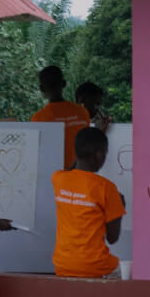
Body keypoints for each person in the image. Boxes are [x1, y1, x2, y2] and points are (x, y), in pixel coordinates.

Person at [52, 127, 126, 277]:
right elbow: (113, 238)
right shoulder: (106, 188)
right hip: (96, 265)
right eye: (105, 153)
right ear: (99, 154)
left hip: (62, 264)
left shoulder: (58, 178)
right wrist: (121, 206)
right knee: (128, 272)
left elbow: (72, 170)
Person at [32, 65, 91, 170]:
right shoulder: (82, 112)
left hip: (55, 177)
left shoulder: (38, 118)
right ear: (64, 84)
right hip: (81, 175)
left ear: (42, 88)